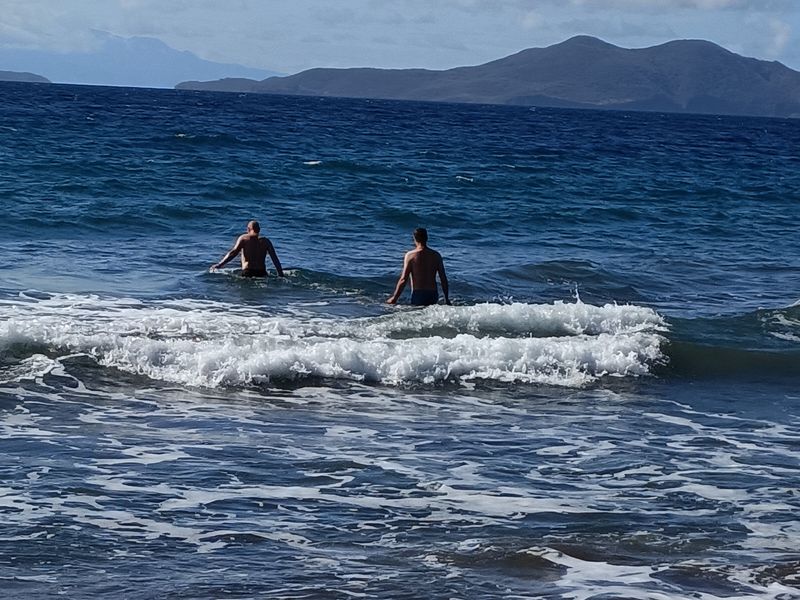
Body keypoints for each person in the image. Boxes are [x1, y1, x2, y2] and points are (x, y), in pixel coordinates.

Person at [387, 227, 450, 306]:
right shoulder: (436, 255)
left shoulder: (410, 255)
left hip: (418, 293)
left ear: (414, 239)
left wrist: (394, 298)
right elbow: (443, 278)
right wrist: (446, 298)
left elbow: (403, 279)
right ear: (427, 238)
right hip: (433, 294)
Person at [211, 220, 284, 277]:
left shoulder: (244, 239)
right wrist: (280, 273)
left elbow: (233, 253)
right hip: (261, 272)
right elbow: (274, 258)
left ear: (248, 229)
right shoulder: (266, 241)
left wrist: (219, 265)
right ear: (259, 229)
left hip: (248, 271)